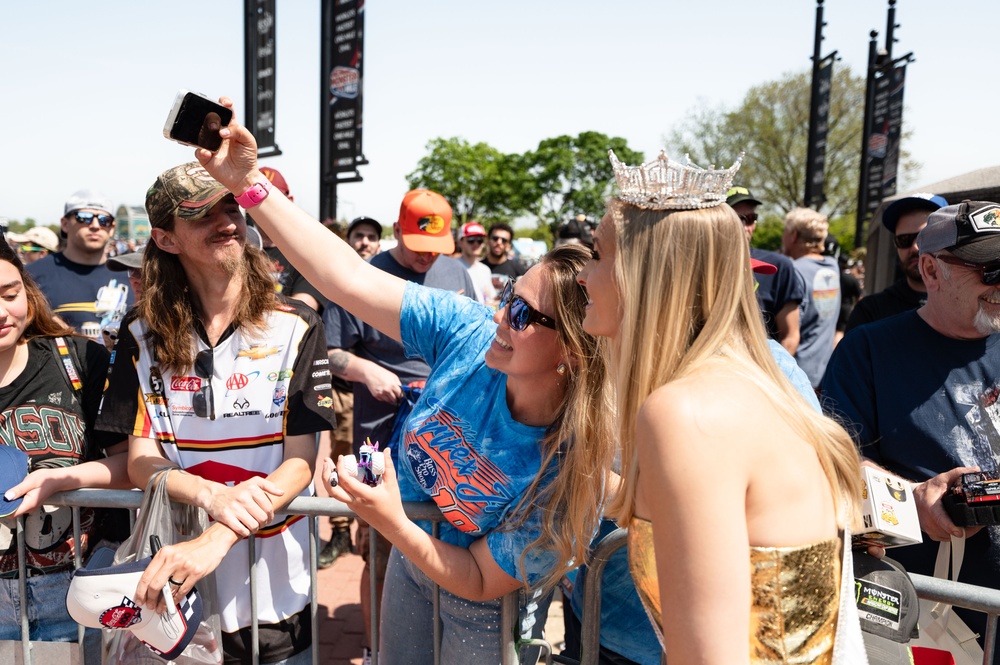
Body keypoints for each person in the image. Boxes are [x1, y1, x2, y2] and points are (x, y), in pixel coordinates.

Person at [193, 106, 613, 664]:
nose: (500, 315)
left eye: (523, 315)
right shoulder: (469, 332)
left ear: (573, 353)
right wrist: (246, 183)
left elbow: (481, 578)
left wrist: (388, 517)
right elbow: (347, 277)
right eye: (509, 294)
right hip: (412, 562)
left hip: (487, 602)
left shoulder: (572, 458)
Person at [574, 151, 865, 662]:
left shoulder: (686, 414)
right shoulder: (740, 387)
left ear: (645, 276)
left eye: (598, 255)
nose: (582, 275)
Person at [95, 162, 337, 665]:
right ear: (165, 238)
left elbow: (299, 462)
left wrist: (222, 531)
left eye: (232, 205)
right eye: (202, 213)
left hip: (276, 585)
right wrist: (211, 496)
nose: (227, 220)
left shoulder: (296, 323)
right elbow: (139, 459)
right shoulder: (141, 332)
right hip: (171, 582)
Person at [822, 200, 1000, 658]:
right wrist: (912, 501)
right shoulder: (870, 350)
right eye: (989, 269)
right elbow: (833, 464)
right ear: (931, 269)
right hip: (935, 624)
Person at [322, 189, 474, 661]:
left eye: (435, 246)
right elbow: (327, 352)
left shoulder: (456, 272)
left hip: (451, 441)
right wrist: (366, 370)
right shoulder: (366, 278)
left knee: (448, 548)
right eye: (415, 244)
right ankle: (374, 650)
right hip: (383, 438)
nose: (426, 256)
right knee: (382, 552)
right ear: (395, 232)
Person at [0, 236, 131, 662]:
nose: (2, 313)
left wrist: (63, 479)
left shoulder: (76, 359)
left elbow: (135, 466)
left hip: (78, 592)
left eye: (10, 294)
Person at [317, 217, 383, 570]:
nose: (365, 242)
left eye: (372, 237)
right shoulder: (341, 280)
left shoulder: (386, 281)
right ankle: (342, 530)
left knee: (377, 467)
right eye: (359, 236)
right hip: (344, 393)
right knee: (345, 462)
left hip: (385, 400)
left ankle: (370, 530)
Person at [27, 190, 135, 339]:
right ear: (65, 224)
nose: (96, 225)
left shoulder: (132, 276)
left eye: (104, 220)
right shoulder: (31, 276)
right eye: (84, 218)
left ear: (112, 228)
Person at [845, 193, 948, 333]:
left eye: (924, 237)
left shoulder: (972, 307)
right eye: (904, 239)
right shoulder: (870, 314)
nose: (915, 247)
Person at [782, 207, 841, 387]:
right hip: (824, 374)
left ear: (793, 235)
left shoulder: (793, 270)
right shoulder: (833, 267)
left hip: (795, 376)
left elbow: (790, 333)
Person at [254, 166, 326, 313]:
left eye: (273, 199)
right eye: (256, 198)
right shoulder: (237, 248)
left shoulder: (305, 252)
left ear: (290, 201)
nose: (264, 206)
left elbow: (303, 308)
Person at [456, 221, 498, 305]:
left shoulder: (485, 269)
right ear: (460, 242)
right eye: (471, 240)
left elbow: (491, 297)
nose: (476, 244)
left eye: (480, 240)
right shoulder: (453, 267)